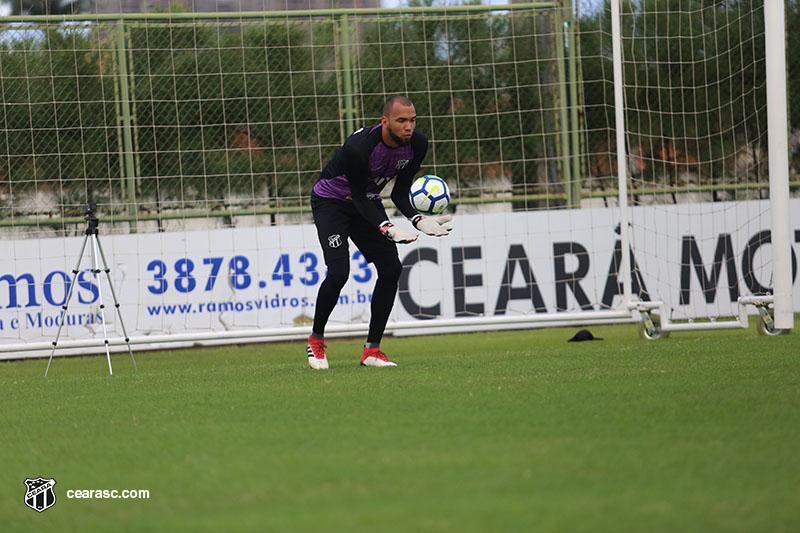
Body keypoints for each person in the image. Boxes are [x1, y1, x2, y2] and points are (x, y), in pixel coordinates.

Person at [306, 95, 453, 369]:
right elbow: (358, 196)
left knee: (391, 269)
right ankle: (316, 340)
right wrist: (386, 226)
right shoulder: (359, 146)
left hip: (367, 201)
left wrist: (417, 219)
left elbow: (399, 192)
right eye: (401, 121)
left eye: (412, 120)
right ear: (385, 121)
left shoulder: (417, 144)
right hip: (332, 203)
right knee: (339, 273)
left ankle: (372, 351)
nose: (408, 126)